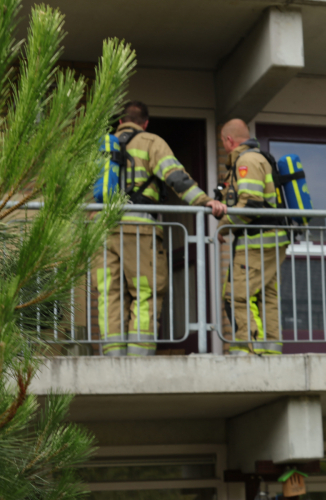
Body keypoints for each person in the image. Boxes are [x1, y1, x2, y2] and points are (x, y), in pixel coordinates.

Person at [92, 101, 226, 356]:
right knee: (146, 291)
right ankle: (139, 358)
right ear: (145, 123)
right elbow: (175, 177)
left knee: (109, 294)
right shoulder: (151, 142)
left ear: (120, 122)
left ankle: (112, 357)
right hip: (138, 229)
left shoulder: (103, 147)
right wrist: (205, 201)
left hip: (101, 232)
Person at [218, 118, 289, 355]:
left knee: (237, 295)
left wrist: (224, 226)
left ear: (229, 140)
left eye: (223, 142)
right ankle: (269, 349)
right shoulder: (260, 157)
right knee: (266, 295)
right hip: (272, 240)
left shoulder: (246, 161)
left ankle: (247, 350)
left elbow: (251, 204)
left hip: (256, 242)